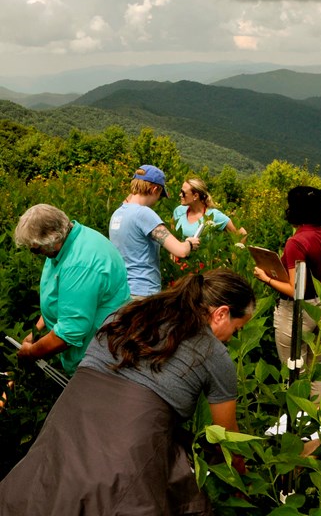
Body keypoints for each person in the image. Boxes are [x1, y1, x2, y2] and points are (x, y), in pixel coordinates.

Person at [0, 269, 255, 515]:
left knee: (45, 489)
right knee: (118, 500)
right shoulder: (213, 352)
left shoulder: (130, 311)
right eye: (237, 329)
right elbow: (227, 440)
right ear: (221, 314)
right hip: (129, 440)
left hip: (71, 418)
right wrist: (241, 485)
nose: (232, 339)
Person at [12, 204, 130, 375]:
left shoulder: (80, 264)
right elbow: (61, 297)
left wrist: (31, 353)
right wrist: (36, 332)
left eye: (36, 249)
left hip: (99, 359)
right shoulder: (67, 242)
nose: (34, 253)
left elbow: (71, 331)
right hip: (88, 351)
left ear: (52, 237)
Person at [253, 186, 321, 400]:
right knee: (315, 371)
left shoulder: (296, 242)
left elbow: (294, 289)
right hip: (319, 306)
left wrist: (266, 278)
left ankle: (297, 424)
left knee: (295, 375)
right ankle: (320, 422)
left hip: (296, 312)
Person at [109, 164, 201, 297]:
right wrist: (190, 243)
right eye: (159, 195)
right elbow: (180, 251)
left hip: (121, 291)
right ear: (155, 189)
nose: (157, 200)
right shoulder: (144, 213)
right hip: (143, 291)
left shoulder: (118, 214)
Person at [173, 176, 247, 241]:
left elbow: (241, 233)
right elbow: (173, 235)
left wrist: (234, 255)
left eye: (183, 193)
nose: (180, 195)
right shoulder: (179, 211)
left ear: (195, 196)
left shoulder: (214, 215)